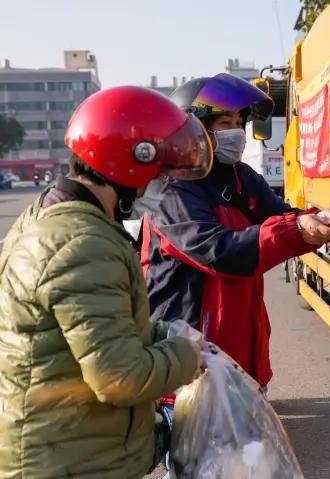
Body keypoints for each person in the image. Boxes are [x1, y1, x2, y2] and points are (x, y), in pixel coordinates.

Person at [0, 86, 212, 478]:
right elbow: (119, 377)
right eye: (160, 173)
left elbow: (86, 332)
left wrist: (164, 331)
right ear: (131, 164)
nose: (163, 185)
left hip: (64, 449)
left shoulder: (53, 217)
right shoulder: (83, 244)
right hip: (70, 461)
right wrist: (186, 356)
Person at [134, 73, 330, 398]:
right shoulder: (169, 190)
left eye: (238, 122)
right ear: (195, 128)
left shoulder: (240, 177)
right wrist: (297, 229)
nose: (236, 132)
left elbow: (279, 215)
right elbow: (219, 252)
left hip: (241, 368)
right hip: (186, 377)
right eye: (224, 123)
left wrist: (314, 220)